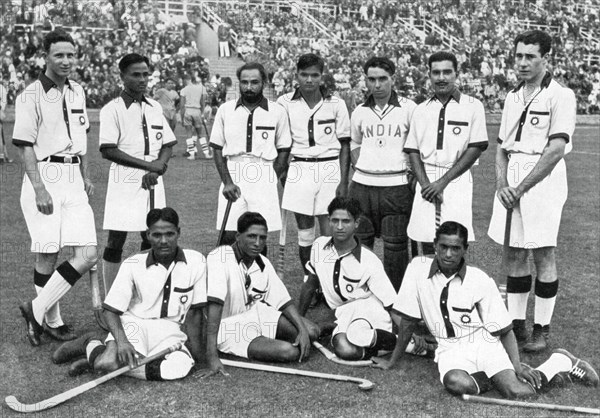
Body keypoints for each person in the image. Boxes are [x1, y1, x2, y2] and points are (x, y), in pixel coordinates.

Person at [372, 221, 599, 397]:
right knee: (456, 383)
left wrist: (516, 366)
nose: (448, 254)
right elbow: (409, 321)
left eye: (455, 248)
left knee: (517, 393)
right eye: (443, 247)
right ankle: (499, 378)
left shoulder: (480, 280)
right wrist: (393, 361)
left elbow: (504, 329)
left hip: (485, 344)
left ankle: (560, 362)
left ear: (465, 249)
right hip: (449, 349)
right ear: (435, 244)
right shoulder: (417, 269)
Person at [487, 30, 576, 352]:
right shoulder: (513, 96)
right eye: (519, 56)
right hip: (511, 178)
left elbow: (555, 150)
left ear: (545, 58)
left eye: (530, 57)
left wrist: (521, 187)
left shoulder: (560, 95)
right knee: (513, 251)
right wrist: (502, 186)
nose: (522, 63)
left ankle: (541, 328)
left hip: (543, 180)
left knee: (542, 251)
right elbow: (500, 147)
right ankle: (516, 325)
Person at [12, 30, 98, 346]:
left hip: (73, 177)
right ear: (46, 56)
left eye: (70, 55)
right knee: (47, 252)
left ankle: (35, 309)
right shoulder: (30, 95)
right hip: (45, 175)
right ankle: (53, 321)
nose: (65, 61)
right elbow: (25, 147)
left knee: (87, 253)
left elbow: (82, 140)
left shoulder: (78, 92)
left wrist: (86, 176)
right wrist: (39, 188)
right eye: (58, 55)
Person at [54, 208, 206, 380]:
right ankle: (91, 343)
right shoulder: (132, 263)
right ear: (148, 235)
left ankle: (96, 357)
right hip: (135, 325)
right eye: (157, 235)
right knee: (108, 363)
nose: (164, 241)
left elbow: (195, 313)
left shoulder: (196, 261)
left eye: (169, 234)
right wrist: (122, 341)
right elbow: (110, 310)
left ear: (178, 233)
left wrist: (199, 355)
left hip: (171, 331)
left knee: (176, 369)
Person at [299, 197, 435, 360]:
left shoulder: (369, 260)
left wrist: (409, 332)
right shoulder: (319, 246)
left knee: (352, 341)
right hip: (343, 312)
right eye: (335, 221)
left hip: (369, 309)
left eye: (346, 221)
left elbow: (391, 304)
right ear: (329, 221)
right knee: (344, 347)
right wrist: (298, 322)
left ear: (356, 223)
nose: (340, 227)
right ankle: (383, 344)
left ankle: (407, 343)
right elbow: (310, 284)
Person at [203, 212, 320, 376]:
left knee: (312, 331)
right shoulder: (219, 257)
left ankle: (270, 338)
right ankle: (261, 342)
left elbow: (284, 301)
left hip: (256, 313)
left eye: (262, 238)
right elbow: (214, 308)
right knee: (289, 352)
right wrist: (211, 356)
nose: (257, 243)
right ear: (238, 236)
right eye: (251, 236)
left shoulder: (262, 262)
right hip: (228, 326)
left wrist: (302, 330)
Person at [99, 53, 176, 295]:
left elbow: (168, 144)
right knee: (116, 239)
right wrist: (147, 167)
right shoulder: (112, 109)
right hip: (125, 178)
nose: (142, 79)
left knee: (151, 234)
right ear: (122, 77)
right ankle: (111, 297)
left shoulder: (154, 107)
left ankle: (146, 291)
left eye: (145, 74)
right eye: (136, 74)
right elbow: (108, 150)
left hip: (153, 179)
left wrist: (158, 167)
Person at [276, 53, 351, 283]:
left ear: (322, 76)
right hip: (300, 167)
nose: (309, 80)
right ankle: (311, 279)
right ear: (296, 75)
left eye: (315, 75)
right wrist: (282, 172)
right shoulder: (284, 102)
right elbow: (281, 142)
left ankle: (329, 280)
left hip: (329, 167)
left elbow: (345, 144)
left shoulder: (336, 103)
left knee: (329, 230)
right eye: (304, 75)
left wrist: (343, 181)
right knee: (305, 231)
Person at [405, 51, 488, 253]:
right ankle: (426, 282)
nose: (441, 78)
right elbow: (413, 150)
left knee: (455, 239)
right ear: (429, 75)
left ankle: (452, 284)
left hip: (457, 179)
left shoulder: (472, 106)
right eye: (436, 73)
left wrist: (442, 182)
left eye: (447, 72)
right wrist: (425, 184)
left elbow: (476, 147)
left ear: (456, 74)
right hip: (426, 179)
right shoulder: (421, 109)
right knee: (424, 239)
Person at [346, 57, 417, 291]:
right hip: (362, 186)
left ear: (392, 79)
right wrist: (361, 165)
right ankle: (360, 294)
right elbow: (354, 142)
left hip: (396, 185)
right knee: (360, 242)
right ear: (366, 80)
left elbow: (417, 146)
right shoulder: (359, 111)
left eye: (382, 79)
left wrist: (410, 173)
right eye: (372, 79)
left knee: (395, 244)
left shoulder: (409, 108)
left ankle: (394, 299)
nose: (377, 85)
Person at [210, 62, 291, 246]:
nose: (249, 87)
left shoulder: (277, 112)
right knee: (229, 235)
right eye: (244, 82)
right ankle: (226, 274)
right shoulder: (225, 110)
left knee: (258, 236)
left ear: (264, 82)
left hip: (264, 170)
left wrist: (271, 177)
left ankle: (257, 275)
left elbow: (284, 149)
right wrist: (227, 182)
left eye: (254, 82)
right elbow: (216, 147)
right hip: (234, 170)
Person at [180, 74, 210, 160]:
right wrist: (203, 114)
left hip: (188, 111)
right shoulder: (201, 88)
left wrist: (182, 118)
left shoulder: (184, 89)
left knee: (189, 134)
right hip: (197, 111)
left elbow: (182, 106)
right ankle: (206, 154)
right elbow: (203, 102)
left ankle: (192, 154)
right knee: (200, 134)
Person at [0, 79, 12, 162]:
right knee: (1, 136)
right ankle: (3, 156)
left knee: (1, 136)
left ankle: (3, 156)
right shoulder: (2, 89)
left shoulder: (2, 89)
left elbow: (3, 102)